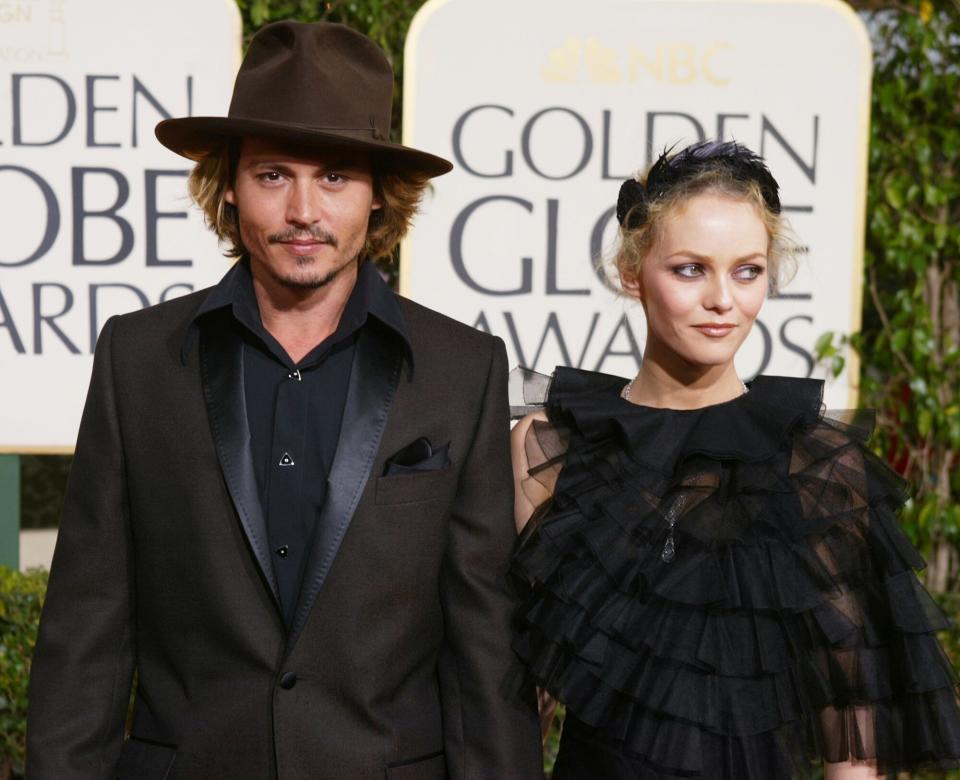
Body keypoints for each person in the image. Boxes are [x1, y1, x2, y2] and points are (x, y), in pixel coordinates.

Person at [26, 21, 541, 779]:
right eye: (273, 175)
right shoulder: (139, 359)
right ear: (229, 187)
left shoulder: (461, 369)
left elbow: (485, 647)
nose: (304, 209)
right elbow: (87, 630)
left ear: (377, 196)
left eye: (334, 177)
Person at [509, 140, 960, 779]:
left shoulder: (815, 465)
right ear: (632, 272)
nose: (724, 300)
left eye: (747, 270)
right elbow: (523, 697)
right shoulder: (553, 446)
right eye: (691, 268)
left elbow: (854, 722)